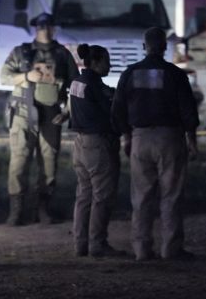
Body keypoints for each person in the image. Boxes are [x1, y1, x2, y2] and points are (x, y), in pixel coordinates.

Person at [112, 27, 200, 261]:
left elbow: (118, 107)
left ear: (144, 47)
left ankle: (141, 249)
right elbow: (187, 108)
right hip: (170, 138)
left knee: (141, 196)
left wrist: (126, 136)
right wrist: (192, 138)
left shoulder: (130, 73)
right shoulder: (175, 74)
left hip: (140, 138)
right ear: (164, 47)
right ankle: (171, 248)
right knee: (171, 194)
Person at [0, 12, 79, 226]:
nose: (45, 29)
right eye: (41, 26)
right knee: (19, 161)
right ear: (35, 28)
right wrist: (26, 76)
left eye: (49, 25)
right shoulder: (21, 52)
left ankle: (43, 209)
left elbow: (76, 85)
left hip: (51, 114)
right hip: (24, 113)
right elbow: (4, 76)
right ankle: (16, 211)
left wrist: (68, 111)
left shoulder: (62, 54)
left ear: (54, 28)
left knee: (49, 163)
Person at [68, 44, 126, 257]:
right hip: (98, 145)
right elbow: (112, 108)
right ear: (95, 62)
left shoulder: (76, 82)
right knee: (102, 197)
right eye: (106, 61)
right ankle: (97, 244)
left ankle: (80, 244)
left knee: (84, 196)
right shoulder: (95, 85)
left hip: (80, 144)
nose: (109, 65)